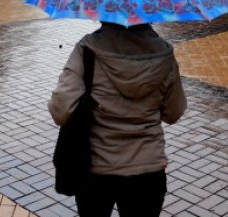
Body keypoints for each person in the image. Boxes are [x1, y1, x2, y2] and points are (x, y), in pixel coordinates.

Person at [49, 22, 187, 217]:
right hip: (147, 168)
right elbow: (173, 113)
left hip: (96, 169)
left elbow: (60, 111)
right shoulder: (164, 54)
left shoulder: (87, 49)